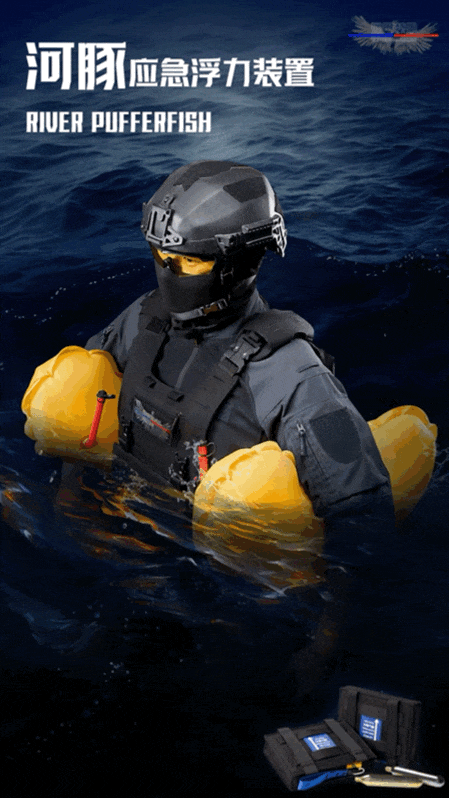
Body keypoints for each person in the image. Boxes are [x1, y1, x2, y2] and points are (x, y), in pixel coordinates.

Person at [84, 160, 395, 555]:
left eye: (188, 261)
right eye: (161, 255)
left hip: (216, 578)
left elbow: (365, 525)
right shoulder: (144, 320)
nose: (168, 273)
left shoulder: (291, 374)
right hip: (118, 533)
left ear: (239, 265)